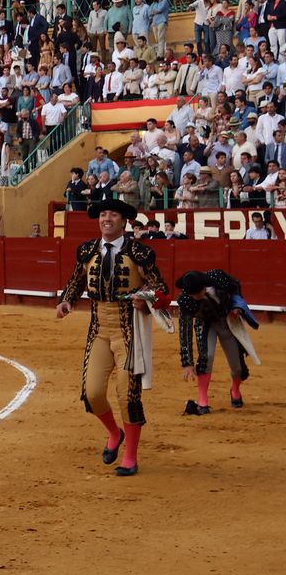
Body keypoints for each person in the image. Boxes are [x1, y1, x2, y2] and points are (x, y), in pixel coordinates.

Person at [56, 197, 168, 477]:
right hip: (99, 330)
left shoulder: (140, 253)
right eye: (103, 214)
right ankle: (113, 433)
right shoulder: (87, 250)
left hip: (128, 331)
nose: (107, 218)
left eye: (113, 215)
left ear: (124, 221)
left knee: (127, 395)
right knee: (91, 394)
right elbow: (76, 280)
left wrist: (146, 298)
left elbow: (162, 288)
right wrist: (66, 300)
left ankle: (130, 457)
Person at [173, 269, 261, 415]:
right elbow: (185, 330)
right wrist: (187, 362)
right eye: (191, 295)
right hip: (206, 325)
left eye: (198, 293)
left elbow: (235, 289)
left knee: (237, 366)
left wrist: (237, 307)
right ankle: (202, 400)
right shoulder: (185, 299)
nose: (195, 297)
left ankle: (235, 389)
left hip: (227, 321)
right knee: (206, 357)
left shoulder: (219, 280)